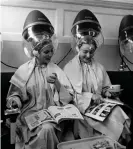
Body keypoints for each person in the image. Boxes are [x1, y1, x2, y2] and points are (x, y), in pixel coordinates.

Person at [6, 10, 74, 149]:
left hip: (53, 115)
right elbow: (14, 95)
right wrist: (14, 101)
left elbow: (68, 98)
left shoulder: (56, 70)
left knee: (49, 127)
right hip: (30, 116)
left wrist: (57, 83)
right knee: (46, 128)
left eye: (51, 51)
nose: (50, 55)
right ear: (36, 52)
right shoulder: (23, 70)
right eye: (46, 52)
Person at [63, 9, 131, 145]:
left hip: (101, 106)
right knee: (93, 125)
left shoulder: (99, 67)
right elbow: (68, 97)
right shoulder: (68, 68)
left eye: (91, 52)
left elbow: (106, 86)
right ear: (78, 48)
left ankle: (120, 143)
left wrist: (108, 92)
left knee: (118, 111)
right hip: (82, 110)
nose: (88, 56)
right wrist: (90, 97)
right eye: (85, 52)